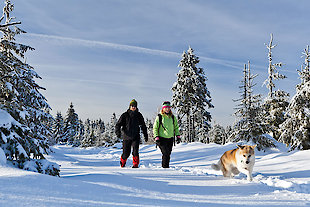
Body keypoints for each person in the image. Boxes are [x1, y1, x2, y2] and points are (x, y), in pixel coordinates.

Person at [115, 99, 148, 168]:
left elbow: (143, 126)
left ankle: (135, 165)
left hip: (135, 137)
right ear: (129, 106)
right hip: (126, 137)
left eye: (135, 106)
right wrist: (118, 132)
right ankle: (122, 163)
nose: (133, 107)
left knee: (135, 152)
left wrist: (145, 135)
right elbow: (118, 125)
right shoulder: (125, 115)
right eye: (132, 106)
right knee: (126, 153)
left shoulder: (139, 115)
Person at [153, 101, 181, 168]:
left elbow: (176, 127)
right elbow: (155, 128)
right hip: (161, 138)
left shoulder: (173, 117)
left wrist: (178, 136)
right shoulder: (159, 117)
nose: (167, 109)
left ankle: (166, 167)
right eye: (166, 108)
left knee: (168, 154)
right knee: (165, 153)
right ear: (163, 108)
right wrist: (156, 137)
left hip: (170, 139)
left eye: (168, 108)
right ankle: (165, 168)